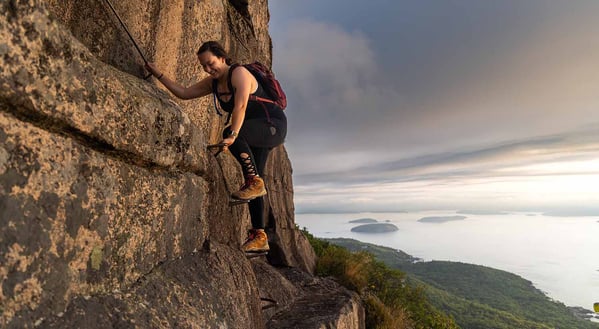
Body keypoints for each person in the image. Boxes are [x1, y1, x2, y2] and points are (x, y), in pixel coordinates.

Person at [145, 41, 287, 253]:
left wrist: (233, 135)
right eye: (204, 66)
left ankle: (254, 183)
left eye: (211, 63)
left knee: (247, 168)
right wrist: (158, 74)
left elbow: (240, 106)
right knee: (254, 183)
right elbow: (184, 93)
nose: (208, 69)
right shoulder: (214, 82)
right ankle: (260, 236)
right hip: (254, 128)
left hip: (272, 125)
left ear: (222, 57)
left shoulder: (239, 73)